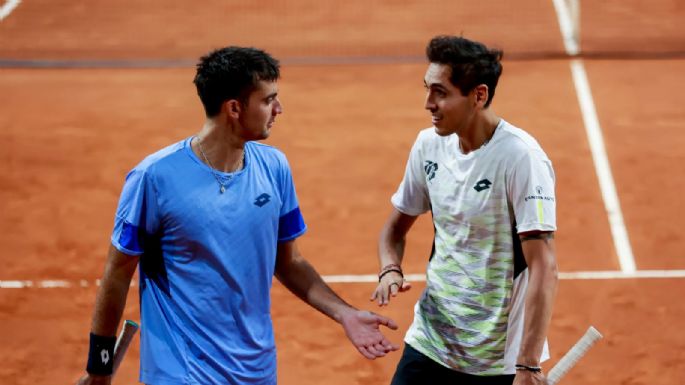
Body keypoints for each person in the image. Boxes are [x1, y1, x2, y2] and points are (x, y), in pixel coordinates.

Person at [76, 46, 399, 385]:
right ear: (234, 108)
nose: (279, 109)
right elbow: (117, 271)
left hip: (256, 370)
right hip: (182, 373)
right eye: (267, 100)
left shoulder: (274, 167)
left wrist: (344, 313)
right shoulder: (154, 178)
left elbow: (289, 262)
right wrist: (99, 367)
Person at [370, 35, 558, 385]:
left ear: (479, 95)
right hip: (431, 342)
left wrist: (529, 365)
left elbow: (544, 266)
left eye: (440, 92)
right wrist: (389, 268)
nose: (428, 103)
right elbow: (394, 229)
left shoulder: (521, 158)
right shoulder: (428, 145)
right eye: (426, 89)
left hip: (497, 359)